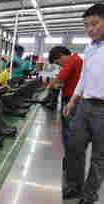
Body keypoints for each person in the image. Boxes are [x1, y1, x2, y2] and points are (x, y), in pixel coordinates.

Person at [63, 4, 104, 204]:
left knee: (99, 156)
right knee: (74, 146)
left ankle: (89, 196)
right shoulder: (89, 47)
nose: (90, 29)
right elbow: (83, 78)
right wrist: (72, 101)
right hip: (84, 105)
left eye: (94, 24)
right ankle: (74, 186)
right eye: (86, 25)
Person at [48, 46, 83, 191]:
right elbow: (63, 80)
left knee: (71, 137)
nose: (59, 65)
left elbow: (59, 78)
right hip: (72, 100)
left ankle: (73, 180)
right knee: (69, 136)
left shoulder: (73, 60)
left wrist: (50, 87)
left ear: (62, 56)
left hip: (73, 103)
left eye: (58, 62)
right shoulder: (77, 60)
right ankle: (69, 163)